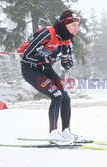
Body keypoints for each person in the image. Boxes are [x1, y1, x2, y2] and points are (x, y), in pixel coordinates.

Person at [20, 10, 85, 145]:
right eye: (74, 25)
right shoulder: (47, 33)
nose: (76, 29)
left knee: (65, 97)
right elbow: (27, 56)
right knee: (57, 96)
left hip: (46, 68)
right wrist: (48, 56)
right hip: (31, 70)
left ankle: (66, 132)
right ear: (65, 24)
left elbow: (68, 65)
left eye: (77, 26)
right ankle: (53, 134)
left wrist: (65, 57)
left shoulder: (67, 40)